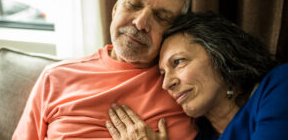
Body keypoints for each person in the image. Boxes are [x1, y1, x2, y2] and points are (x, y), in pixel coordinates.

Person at [12, 0, 197, 140]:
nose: (140, 23)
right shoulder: (53, 78)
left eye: (161, 17)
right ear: (116, 7)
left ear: (174, 30)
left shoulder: (182, 90)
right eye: (133, 5)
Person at [106, 12, 288, 140]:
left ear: (222, 53)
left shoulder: (279, 85)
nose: (167, 84)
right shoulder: (199, 135)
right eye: (162, 74)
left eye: (178, 62)